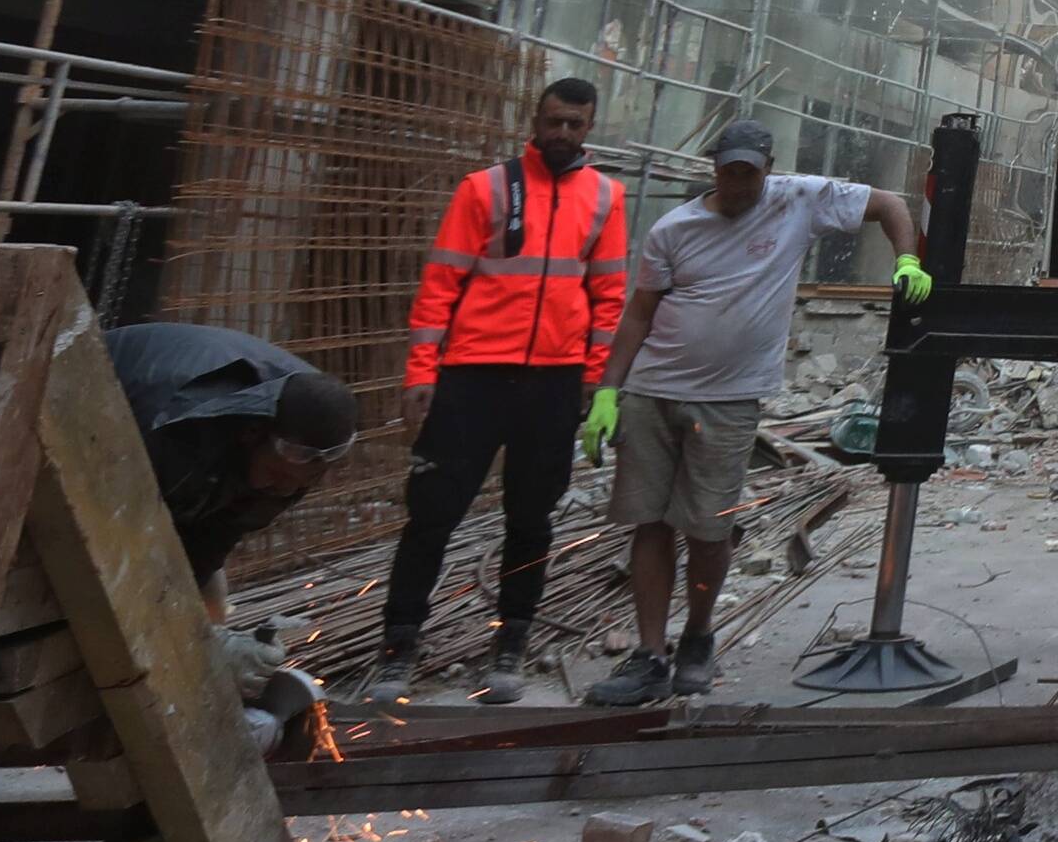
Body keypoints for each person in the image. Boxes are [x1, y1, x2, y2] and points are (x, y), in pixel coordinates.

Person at [583, 115, 925, 707]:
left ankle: (697, 636)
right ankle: (648, 655)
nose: (739, 184)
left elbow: (891, 203)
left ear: (767, 170)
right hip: (652, 391)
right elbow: (639, 313)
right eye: (729, 172)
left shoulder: (797, 201)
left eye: (750, 173)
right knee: (651, 522)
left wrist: (906, 260)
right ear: (714, 170)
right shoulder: (675, 228)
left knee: (710, 528)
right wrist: (608, 392)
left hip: (729, 400)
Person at [366, 76, 631, 706]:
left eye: (575, 124)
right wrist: (422, 374)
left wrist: (595, 381)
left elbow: (609, 296)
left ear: (589, 128)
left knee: (531, 518)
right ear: (534, 120)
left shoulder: (606, 197)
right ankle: (398, 647)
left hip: (554, 382)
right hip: (471, 377)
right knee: (431, 515)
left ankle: (510, 640)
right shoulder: (483, 189)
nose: (563, 133)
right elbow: (440, 287)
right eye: (555, 121)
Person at [104, 320, 357, 603]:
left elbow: (211, 545)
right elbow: (115, 525)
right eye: (276, 476)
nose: (285, 490)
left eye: (301, 484)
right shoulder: (176, 423)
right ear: (252, 434)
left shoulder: (310, 437)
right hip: (94, 409)